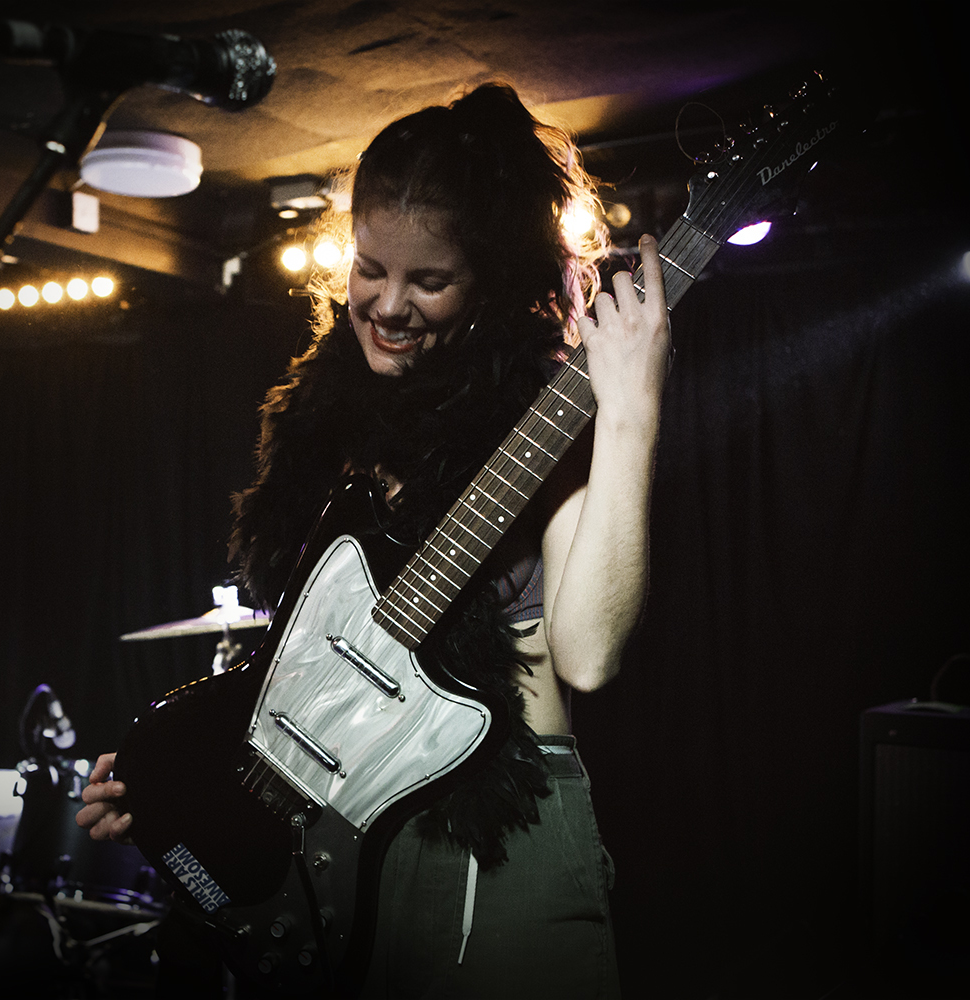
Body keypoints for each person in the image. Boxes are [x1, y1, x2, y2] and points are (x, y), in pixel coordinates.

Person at [78, 81, 670, 998]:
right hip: (347, 842)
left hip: (496, 846)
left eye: (428, 280)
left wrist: (631, 408)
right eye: (368, 268)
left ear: (492, 281)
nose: (387, 306)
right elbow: (319, 667)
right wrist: (180, 778)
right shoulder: (331, 417)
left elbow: (588, 656)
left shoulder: (542, 419)